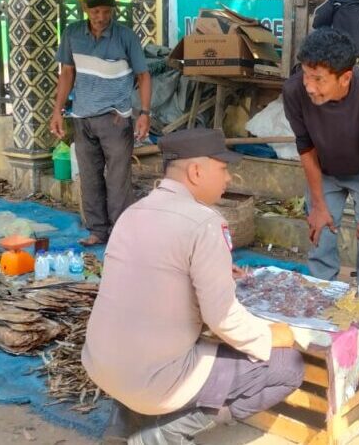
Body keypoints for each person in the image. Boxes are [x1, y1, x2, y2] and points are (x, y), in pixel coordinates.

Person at [83, 128, 303, 445]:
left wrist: (213, 270)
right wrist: (271, 337)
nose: (228, 179)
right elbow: (223, 319)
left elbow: (146, 278)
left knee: (140, 335)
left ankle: (120, 423)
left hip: (102, 365)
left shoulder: (132, 213)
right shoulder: (204, 221)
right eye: (223, 169)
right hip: (155, 379)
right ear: (196, 171)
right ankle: (162, 436)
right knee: (288, 366)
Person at [282, 28, 359, 294]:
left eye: (319, 79)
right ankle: (322, 297)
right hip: (324, 171)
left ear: (345, 78)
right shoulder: (294, 91)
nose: (309, 86)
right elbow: (305, 147)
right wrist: (318, 205)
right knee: (320, 235)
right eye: (306, 75)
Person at [50, 0, 152, 247]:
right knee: (89, 176)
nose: (101, 17)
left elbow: (143, 75)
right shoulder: (72, 34)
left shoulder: (126, 36)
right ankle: (97, 230)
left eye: (107, 11)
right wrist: (58, 111)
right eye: (96, 11)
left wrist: (144, 114)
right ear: (85, 8)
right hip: (82, 116)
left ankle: (120, 232)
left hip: (116, 118)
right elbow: (67, 74)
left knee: (118, 180)